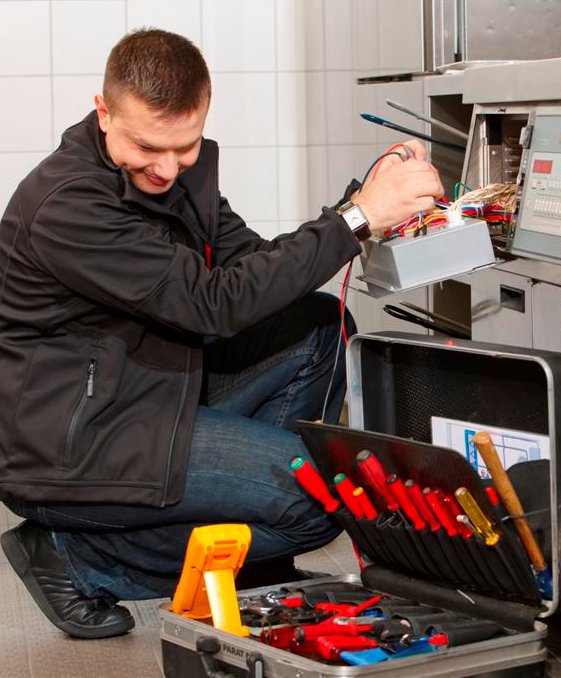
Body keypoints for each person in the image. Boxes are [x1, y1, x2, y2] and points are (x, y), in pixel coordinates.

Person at [0, 28, 444, 639]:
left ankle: (251, 540)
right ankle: (76, 557)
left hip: (146, 396)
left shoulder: (181, 176)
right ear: (104, 112)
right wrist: (358, 216)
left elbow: (255, 273)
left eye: (183, 147)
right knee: (321, 498)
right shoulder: (67, 206)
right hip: (75, 446)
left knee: (316, 321)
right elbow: (214, 304)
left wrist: (366, 207)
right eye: (147, 147)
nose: (164, 168)